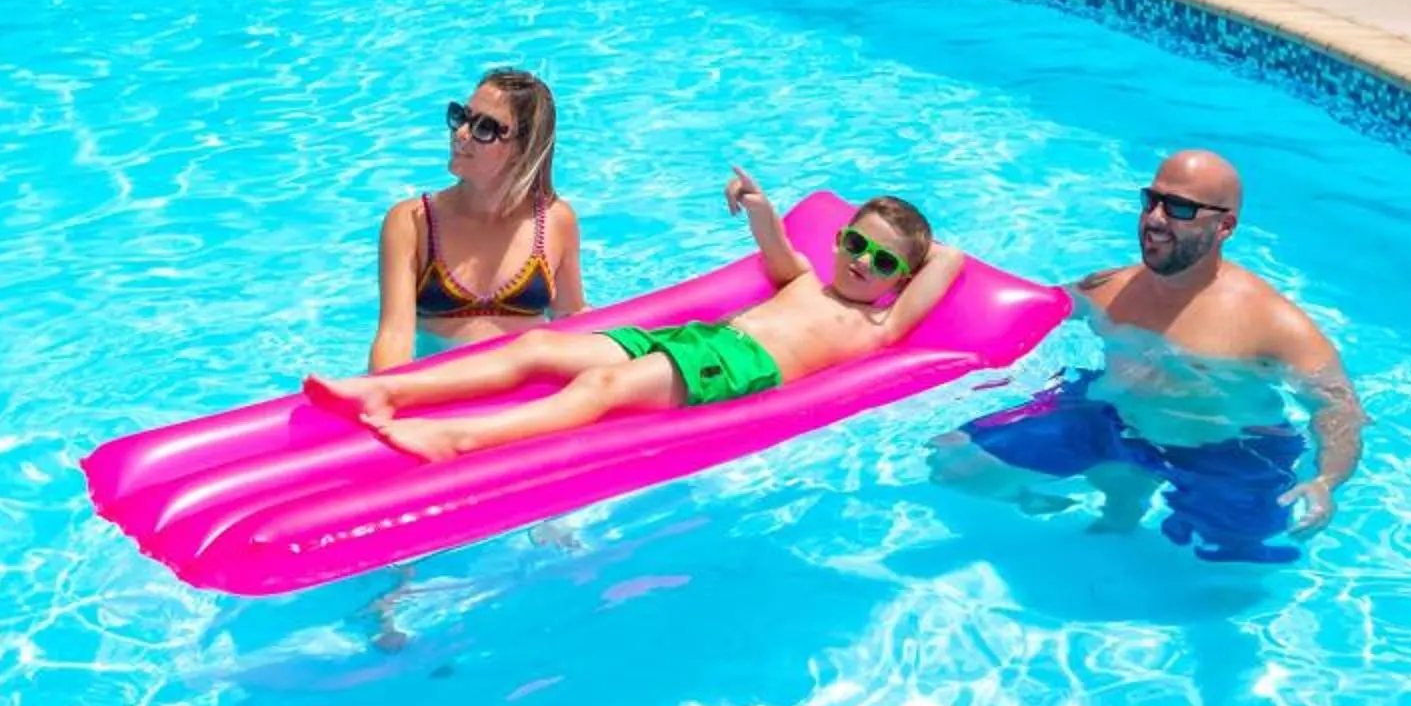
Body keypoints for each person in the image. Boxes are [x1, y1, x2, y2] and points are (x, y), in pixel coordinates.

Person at [306, 168, 962, 463]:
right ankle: (387, 390)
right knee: (535, 349)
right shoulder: (803, 279)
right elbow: (776, 243)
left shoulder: (880, 326)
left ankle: (461, 439)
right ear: (839, 239)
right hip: (699, 341)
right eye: (856, 243)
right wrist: (758, 206)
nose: (861, 263)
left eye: (881, 262)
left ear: (899, 280)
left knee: (599, 387)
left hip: (737, 367)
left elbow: (950, 260)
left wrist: (915, 249)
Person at [937, 147, 1363, 560]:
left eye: (1179, 208)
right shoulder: (1112, 289)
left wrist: (1326, 479)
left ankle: (1126, 489)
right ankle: (1115, 481)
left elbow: (1339, 407)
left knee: (1233, 565)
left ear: (1225, 227)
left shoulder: (1273, 324)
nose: (1155, 219)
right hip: (1113, 420)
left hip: (1223, 449)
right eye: (1151, 200)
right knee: (953, 461)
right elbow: (1026, 308)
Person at [352, 69, 583, 375]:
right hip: (443, 391)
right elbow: (394, 336)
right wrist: (388, 395)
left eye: (484, 128)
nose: (461, 133)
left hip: (530, 392)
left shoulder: (555, 220)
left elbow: (571, 318)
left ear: (522, 150)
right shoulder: (412, 223)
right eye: (461, 116)